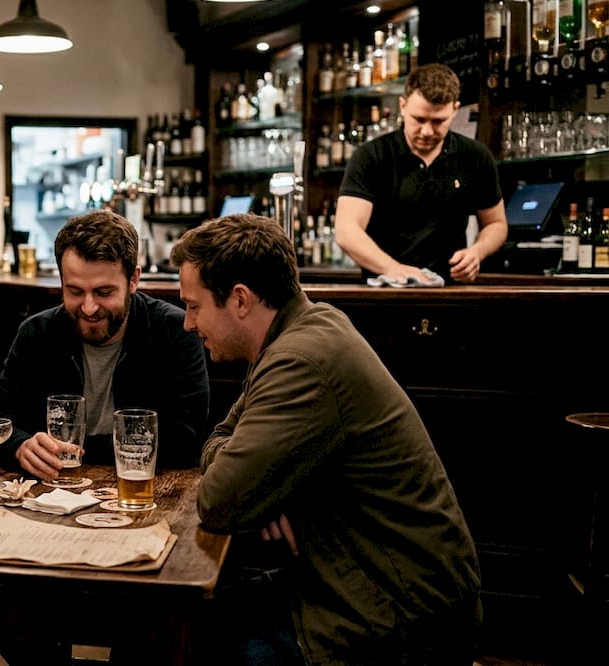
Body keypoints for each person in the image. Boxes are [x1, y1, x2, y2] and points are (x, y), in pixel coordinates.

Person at [171, 213, 482, 665]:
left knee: (189, 642)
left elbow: (219, 498)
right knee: (188, 623)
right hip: (353, 581)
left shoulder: (301, 361)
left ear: (239, 299)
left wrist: (260, 487)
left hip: (397, 616)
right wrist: (263, 486)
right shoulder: (306, 329)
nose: (187, 323)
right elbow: (221, 439)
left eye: (194, 306)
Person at [0, 209, 210, 479]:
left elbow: (186, 440)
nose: (89, 307)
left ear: (133, 280)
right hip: (52, 490)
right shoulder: (37, 332)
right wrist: (20, 446)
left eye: (104, 292)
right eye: (75, 291)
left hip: (143, 488)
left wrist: (80, 450)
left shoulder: (175, 330)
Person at [335, 62, 507, 284]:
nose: (427, 131)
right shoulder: (372, 156)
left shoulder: (475, 156)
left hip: (451, 290)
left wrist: (477, 252)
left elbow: (496, 224)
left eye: (438, 121)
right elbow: (347, 230)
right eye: (419, 119)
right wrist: (393, 269)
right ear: (403, 106)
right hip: (385, 291)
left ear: (455, 110)